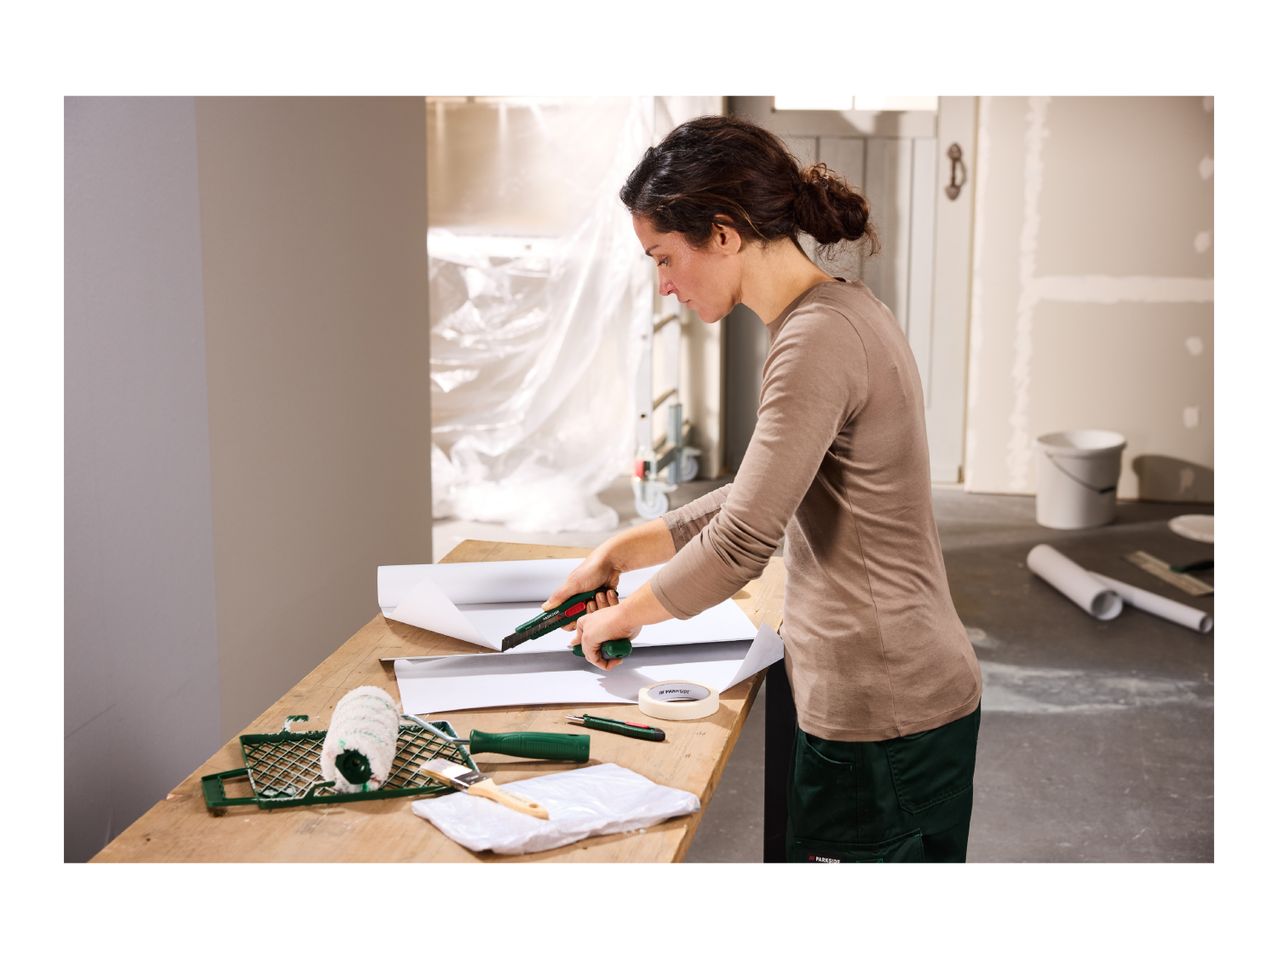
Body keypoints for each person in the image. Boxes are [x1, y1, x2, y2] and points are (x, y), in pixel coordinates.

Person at [541, 114, 983, 863]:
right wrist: (619, 552)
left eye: (664, 257)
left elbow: (744, 541)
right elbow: (757, 495)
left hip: (882, 712)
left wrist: (621, 621)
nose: (664, 284)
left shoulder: (815, 340)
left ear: (722, 232)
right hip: (903, 700)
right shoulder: (841, 312)